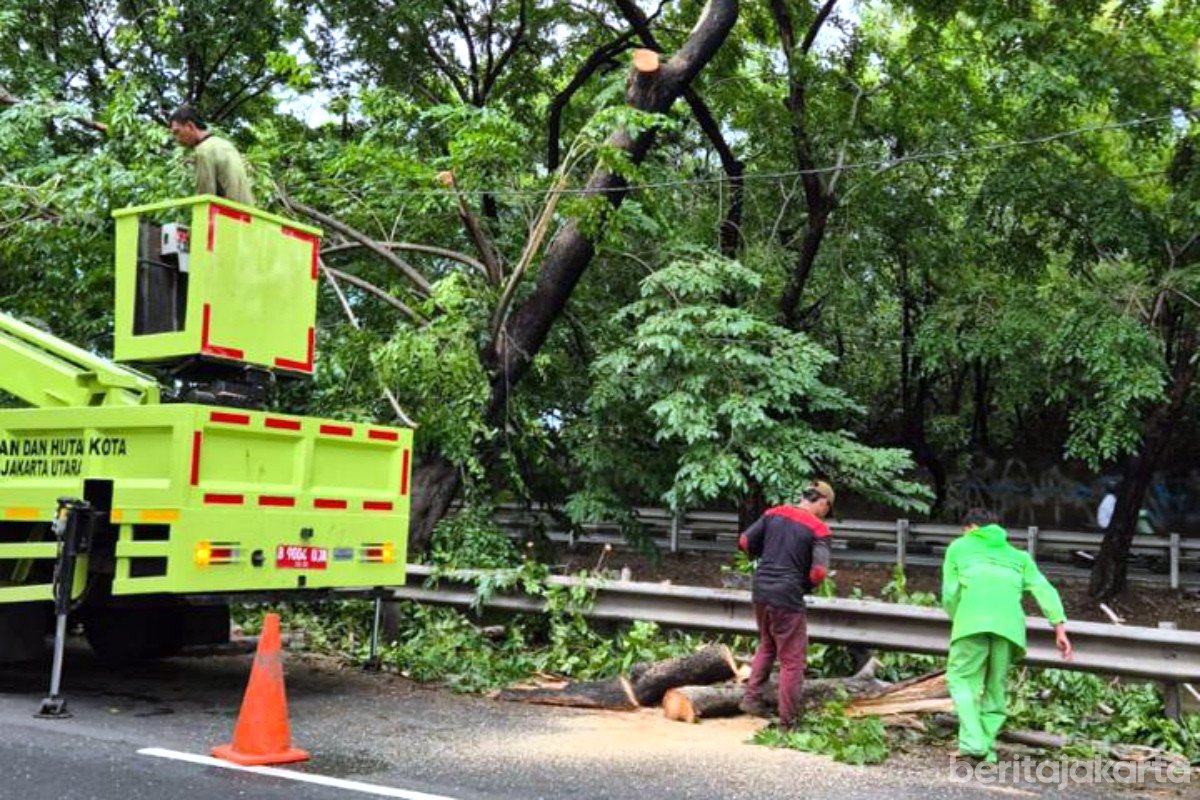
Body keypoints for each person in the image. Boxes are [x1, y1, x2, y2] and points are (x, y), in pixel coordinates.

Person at [941, 509, 1073, 763]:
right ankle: (986, 749)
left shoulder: (959, 547)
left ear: (970, 528)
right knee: (995, 688)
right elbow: (1043, 588)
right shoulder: (1018, 556)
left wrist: (960, 618)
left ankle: (973, 744)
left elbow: (950, 593)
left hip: (971, 621)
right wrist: (1059, 627)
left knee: (962, 681)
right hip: (1009, 628)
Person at [736, 481, 834, 728]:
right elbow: (820, 572)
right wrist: (805, 585)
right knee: (793, 660)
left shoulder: (772, 514)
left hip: (761, 589)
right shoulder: (818, 528)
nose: (826, 513)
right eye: (827, 508)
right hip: (787, 595)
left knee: (767, 644)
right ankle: (788, 721)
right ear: (822, 502)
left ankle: (752, 699)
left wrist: (762, 555)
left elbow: (745, 542)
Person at [168, 107, 256, 206]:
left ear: (190, 126)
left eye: (177, 132)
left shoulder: (203, 150)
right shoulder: (223, 143)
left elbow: (204, 196)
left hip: (229, 215)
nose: (177, 139)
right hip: (247, 214)